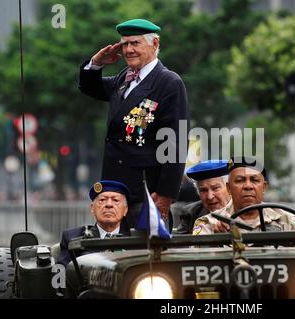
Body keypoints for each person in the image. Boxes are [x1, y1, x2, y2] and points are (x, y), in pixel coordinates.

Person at [78, 18, 189, 228]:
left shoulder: (168, 82)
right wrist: (97, 62)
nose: (128, 50)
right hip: (115, 193)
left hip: (146, 194)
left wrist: (165, 195)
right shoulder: (125, 78)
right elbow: (90, 87)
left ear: (154, 44)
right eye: (124, 44)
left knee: (147, 257)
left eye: (135, 43)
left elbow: (176, 144)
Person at [192, 156, 295, 235]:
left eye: (254, 180)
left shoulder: (287, 220)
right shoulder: (208, 224)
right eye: (240, 180)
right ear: (229, 188)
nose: (248, 186)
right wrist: (216, 240)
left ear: (264, 187)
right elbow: (197, 264)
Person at [57, 180, 131, 267]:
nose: (109, 204)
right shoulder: (73, 238)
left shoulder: (136, 240)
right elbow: (60, 274)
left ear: (125, 210)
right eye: (102, 200)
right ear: (92, 208)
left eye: (115, 200)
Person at [175, 160, 232, 234]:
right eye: (203, 190)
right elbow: (181, 243)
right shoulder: (191, 213)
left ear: (229, 187)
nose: (209, 197)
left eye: (215, 188)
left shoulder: (243, 208)